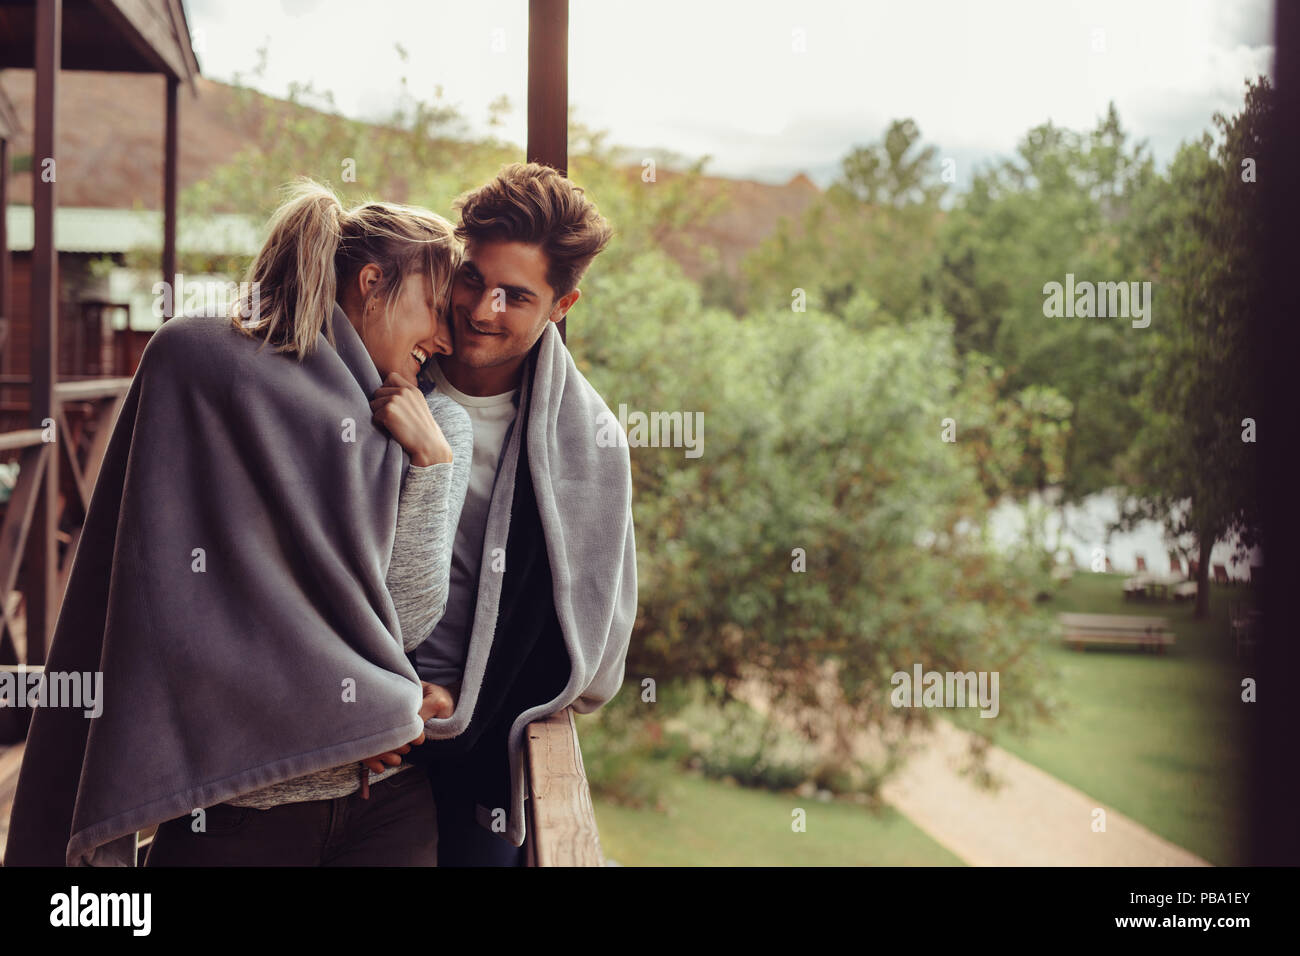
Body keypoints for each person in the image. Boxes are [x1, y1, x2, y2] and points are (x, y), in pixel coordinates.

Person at [3, 180, 472, 867]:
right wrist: (351, 717)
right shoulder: (197, 365)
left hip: (390, 806)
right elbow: (175, 613)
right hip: (238, 811)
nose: (445, 339)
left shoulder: (428, 425)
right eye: (434, 309)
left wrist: (430, 461)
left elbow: (402, 620)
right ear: (373, 282)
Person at [403, 162, 638, 866]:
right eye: (472, 278)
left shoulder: (591, 443)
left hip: (479, 739)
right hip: (347, 712)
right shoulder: (378, 379)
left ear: (562, 307)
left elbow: (594, 648)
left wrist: (466, 698)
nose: (481, 310)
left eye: (516, 296)